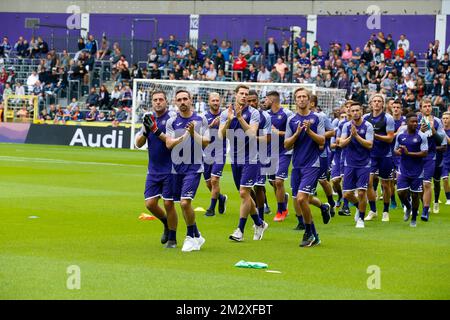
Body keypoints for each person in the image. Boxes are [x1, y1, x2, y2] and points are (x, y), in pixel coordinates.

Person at [219, 85, 268, 242]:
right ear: (235, 95)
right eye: (241, 93)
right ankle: (259, 223)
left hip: (251, 158)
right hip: (235, 158)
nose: (244, 96)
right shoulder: (226, 113)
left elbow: (252, 134)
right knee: (245, 195)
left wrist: (239, 118)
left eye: (246, 94)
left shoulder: (253, 113)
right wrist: (228, 120)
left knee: (243, 193)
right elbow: (221, 135)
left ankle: (240, 230)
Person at [165, 89, 210, 252]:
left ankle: (190, 237)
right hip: (176, 168)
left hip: (194, 167)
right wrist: (182, 137)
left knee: (185, 202)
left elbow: (206, 142)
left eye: (185, 98)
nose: (182, 102)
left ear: (191, 100)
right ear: (175, 102)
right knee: (182, 205)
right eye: (179, 99)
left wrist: (192, 133)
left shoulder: (200, 119)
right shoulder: (171, 122)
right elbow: (168, 144)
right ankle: (197, 235)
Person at [135, 91, 178, 248]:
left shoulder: (172, 119)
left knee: (168, 204)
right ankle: (166, 222)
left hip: (171, 168)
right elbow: (138, 144)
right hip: (153, 169)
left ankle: (172, 238)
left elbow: (171, 141)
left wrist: (154, 130)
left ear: (166, 101)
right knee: (150, 204)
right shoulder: (148, 119)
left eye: (161, 99)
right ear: (152, 102)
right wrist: (146, 131)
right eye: (155, 100)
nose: (158, 102)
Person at [284, 87, 325, 247]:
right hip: (297, 165)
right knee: (301, 200)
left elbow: (321, 140)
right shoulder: (291, 120)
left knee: (301, 199)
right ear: (295, 101)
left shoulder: (317, 118)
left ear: (309, 100)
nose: (301, 99)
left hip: (312, 164)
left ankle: (308, 232)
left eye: (304, 97)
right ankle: (315, 235)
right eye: (298, 97)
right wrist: (296, 134)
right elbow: (286, 145)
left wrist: (309, 131)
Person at [339, 102, 374, 229]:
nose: (355, 113)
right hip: (350, 163)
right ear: (350, 112)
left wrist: (357, 136)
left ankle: (361, 219)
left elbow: (369, 144)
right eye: (352, 110)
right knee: (347, 194)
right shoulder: (346, 126)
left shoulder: (368, 126)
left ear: (361, 111)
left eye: (357, 110)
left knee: (361, 192)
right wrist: (350, 137)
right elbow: (341, 144)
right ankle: (360, 207)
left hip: (364, 164)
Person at [363, 94, 395, 222]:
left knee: (385, 184)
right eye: (374, 101)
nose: (376, 103)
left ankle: (386, 211)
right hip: (370, 155)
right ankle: (373, 210)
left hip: (385, 155)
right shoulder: (366, 118)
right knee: (369, 182)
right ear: (371, 104)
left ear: (383, 104)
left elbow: (390, 138)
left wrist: (375, 136)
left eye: (379, 101)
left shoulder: (388, 118)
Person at [394, 113, 428, 227]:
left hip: (417, 170)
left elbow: (424, 153)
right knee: (400, 192)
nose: (415, 123)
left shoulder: (421, 136)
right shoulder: (400, 135)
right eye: (412, 122)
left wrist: (409, 153)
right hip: (403, 168)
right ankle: (408, 207)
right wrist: (398, 152)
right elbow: (395, 149)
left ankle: (413, 219)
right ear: (407, 122)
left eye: (416, 122)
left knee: (415, 195)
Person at [265, 91, 293, 222]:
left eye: (266, 99)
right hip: (270, 152)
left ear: (272, 100)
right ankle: (283, 199)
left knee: (279, 181)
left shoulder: (287, 114)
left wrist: (279, 132)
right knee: (273, 182)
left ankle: (281, 210)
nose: (264, 102)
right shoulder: (265, 115)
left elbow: (293, 132)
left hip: (284, 152)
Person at [417, 99, 447, 222]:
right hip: (417, 155)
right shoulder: (415, 120)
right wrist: (420, 131)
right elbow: (411, 138)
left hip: (430, 155)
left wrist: (433, 131)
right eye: (425, 106)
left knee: (427, 183)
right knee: (418, 185)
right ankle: (422, 202)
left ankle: (425, 211)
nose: (428, 108)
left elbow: (441, 141)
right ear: (421, 108)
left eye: (429, 106)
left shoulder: (438, 121)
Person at [248, 90, 272, 222]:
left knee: (259, 185)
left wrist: (250, 138)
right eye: (249, 101)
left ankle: (261, 217)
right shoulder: (242, 115)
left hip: (262, 154)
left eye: (254, 100)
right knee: (244, 188)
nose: (251, 103)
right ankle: (257, 206)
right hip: (244, 155)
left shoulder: (266, 117)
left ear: (258, 101)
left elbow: (267, 139)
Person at [203, 92, 228, 217]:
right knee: (209, 183)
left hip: (219, 151)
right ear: (209, 102)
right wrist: (210, 126)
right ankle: (221, 198)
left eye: (217, 100)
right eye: (213, 100)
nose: (215, 102)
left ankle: (211, 209)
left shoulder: (225, 116)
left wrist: (222, 126)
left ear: (220, 101)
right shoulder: (204, 117)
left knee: (214, 180)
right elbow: (198, 133)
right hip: (206, 152)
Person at [441, 112, 450, 205]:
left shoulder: (443, 132)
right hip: (444, 159)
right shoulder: (439, 130)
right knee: (445, 179)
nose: (445, 120)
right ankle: (448, 198)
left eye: (447, 118)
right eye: (443, 118)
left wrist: (445, 135)